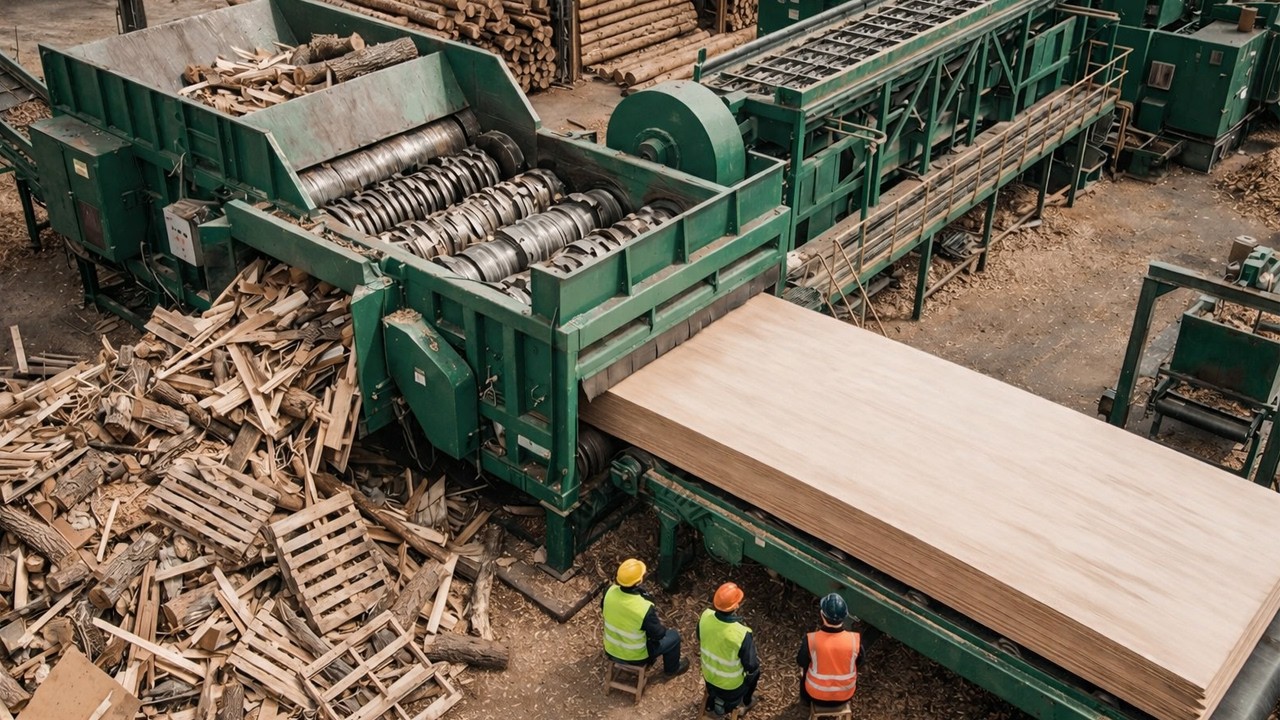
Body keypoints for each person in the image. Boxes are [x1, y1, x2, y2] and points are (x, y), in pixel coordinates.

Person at [602, 558, 690, 678]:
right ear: (638, 582)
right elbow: (658, 635)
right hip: (635, 656)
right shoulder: (643, 607)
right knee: (673, 637)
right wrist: (663, 629)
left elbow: (605, 609)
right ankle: (672, 670)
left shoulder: (608, 592)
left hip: (611, 649)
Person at [698, 582, 760, 716]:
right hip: (731, 688)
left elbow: (699, 636)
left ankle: (716, 701)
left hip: (709, 677)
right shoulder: (741, 633)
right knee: (755, 672)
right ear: (736, 606)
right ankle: (746, 700)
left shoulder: (705, 616)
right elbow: (751, 665)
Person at [797, 593, 862, 709]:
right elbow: (860, 661)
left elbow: (801, 661)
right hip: (845, 695)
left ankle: (805, 704)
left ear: (822, 615)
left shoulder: (811, 640)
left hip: (815, 695)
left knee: (804, 671)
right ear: (845, 616)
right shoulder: (854, 640)